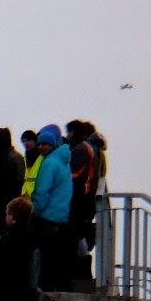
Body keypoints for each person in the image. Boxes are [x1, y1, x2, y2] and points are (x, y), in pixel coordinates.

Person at [31, 125, 72, 291]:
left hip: (47, 216)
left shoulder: (49, 163)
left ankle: (45, 291)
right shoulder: (64, 162)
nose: (41, 147)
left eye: (44, 144)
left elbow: (43, 192)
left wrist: (35, 210)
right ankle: (59, 290)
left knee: (46, 259)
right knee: (58, 260)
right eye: (39, 144)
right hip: (62, 216)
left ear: (52, 144)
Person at [66, 120, 97, 280]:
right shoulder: (86, 147)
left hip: (79, 198)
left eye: (69, 132)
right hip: (83, 198)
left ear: (73, 132)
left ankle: (82, 273)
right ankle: (82, 272)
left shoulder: (81, 149)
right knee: (78, 236)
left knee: (76, 235)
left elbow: (75, 174)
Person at [20, 130, 42, 197]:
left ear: (35, 141)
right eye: (23, 141)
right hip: (25, 194)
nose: (26, 143)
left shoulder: (42, 157)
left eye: (28, 140)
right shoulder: (24, 159)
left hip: (38, 195)